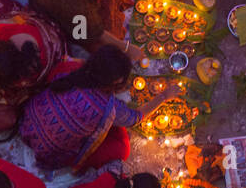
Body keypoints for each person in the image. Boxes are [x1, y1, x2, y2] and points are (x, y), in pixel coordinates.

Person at [19, 47, 177, 172]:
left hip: (26, 123)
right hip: (48, 154)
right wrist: (164, 96)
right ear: (116, 82)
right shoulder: (107, 107)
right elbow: (135, 117)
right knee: (121, 147)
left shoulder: (70, 67)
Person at [28, 0, 138, 55]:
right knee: (103, 47)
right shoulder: (76, 2)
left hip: (70, 2)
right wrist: (126, 48)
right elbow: (94, 32)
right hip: (53, 14)